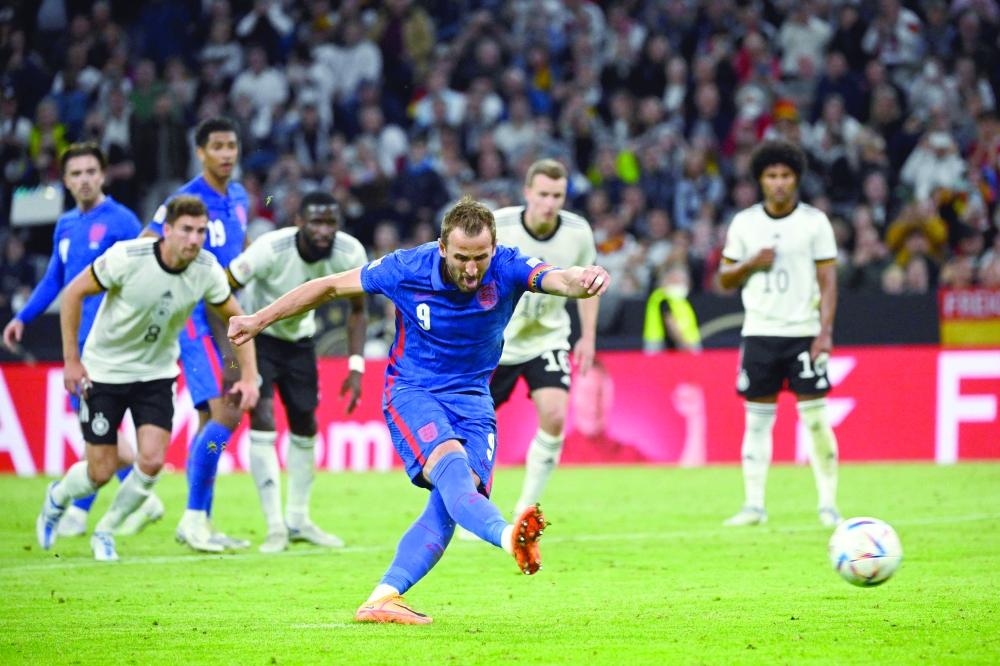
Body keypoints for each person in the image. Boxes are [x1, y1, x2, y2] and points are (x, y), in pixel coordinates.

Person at [227, 197, 610, 624]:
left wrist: (585, 279)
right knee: (453, 472)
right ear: (442, 248)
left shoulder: (508, 265)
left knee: (450, 505)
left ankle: (383, 597)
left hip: (474, 400)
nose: (471, 270)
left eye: (480, 258)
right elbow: (329, 286)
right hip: (414, 392)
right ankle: (509, 538)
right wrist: (258, 320)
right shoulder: (406, 268)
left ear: (494, 248)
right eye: (461, 258)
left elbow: (561, 278)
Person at [36, 195, 259, 560]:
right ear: (166, 230)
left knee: (152, 463)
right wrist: (71, 360)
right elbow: (73, 292)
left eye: (201, 231)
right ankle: (58, 496)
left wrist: (249, 376)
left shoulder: (206, 269)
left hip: (156, 374)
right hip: (104, 372)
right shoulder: (128, 257)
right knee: (101, 470)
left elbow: (238, 321)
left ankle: (105, 530)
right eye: (186, 230)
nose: (194, 239)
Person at [3, 143, 162, 539]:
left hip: (113, 343)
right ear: (65, 181)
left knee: (98, 430)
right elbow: (55, 279)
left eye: (91, 171)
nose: (85, 179)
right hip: (79, 343)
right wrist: (22, 317)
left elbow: (144, 274)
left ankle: (84, 509)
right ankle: (136, 498)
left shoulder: (122, 221)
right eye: (76, 173)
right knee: (98, 430)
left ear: (103, 175)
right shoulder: (66, 223)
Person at [227, 192, 368, 553]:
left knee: (306, 424)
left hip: (301, 341)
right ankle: (275, 526)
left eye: (331, 222)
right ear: (299, 222)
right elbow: (222, 289)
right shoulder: (269, 249)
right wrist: (231, 353)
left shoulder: (350, 253)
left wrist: (356, 366)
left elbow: (358, 309)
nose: (324, 230)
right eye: (316, 222)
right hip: (258, 338)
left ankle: (298, 520)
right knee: (263, 418)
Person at [719, 140, 842, 528]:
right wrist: (750, 263)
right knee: (757, 422)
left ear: (796, 179)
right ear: (760, 180)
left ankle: (828, 504)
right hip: (759, 332)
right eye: (771, 175)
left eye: (785, 175)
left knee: (816, 421)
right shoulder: (744, 223)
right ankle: (754, 505)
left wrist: (825, 332)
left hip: (804, 333)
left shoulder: (814, 222)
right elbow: (724, 278)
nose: (778, 182)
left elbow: (828, 280)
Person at [143, 117, 251, 552]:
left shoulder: (240, 196)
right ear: (200, 152)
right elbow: (148, 245)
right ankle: (192, 518)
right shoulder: (184, 200)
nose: (226, 153)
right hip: (195, 320)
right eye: (217, 146)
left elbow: (239, 250)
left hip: (226, 317)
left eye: (232, 145)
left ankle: (200, 520)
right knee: (226, 412)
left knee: (212, 420)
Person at [488, 159, 599, 517]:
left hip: (547, 338)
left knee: (554, 415)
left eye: (557, 196)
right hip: (496, 342)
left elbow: (589, 285)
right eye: (543, 195)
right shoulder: (499, 226)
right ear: (527, 193)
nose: (550, 203)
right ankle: (471, 505)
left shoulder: (578, 232)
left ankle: (526, 509)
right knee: (473, 424)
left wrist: (588, 336)